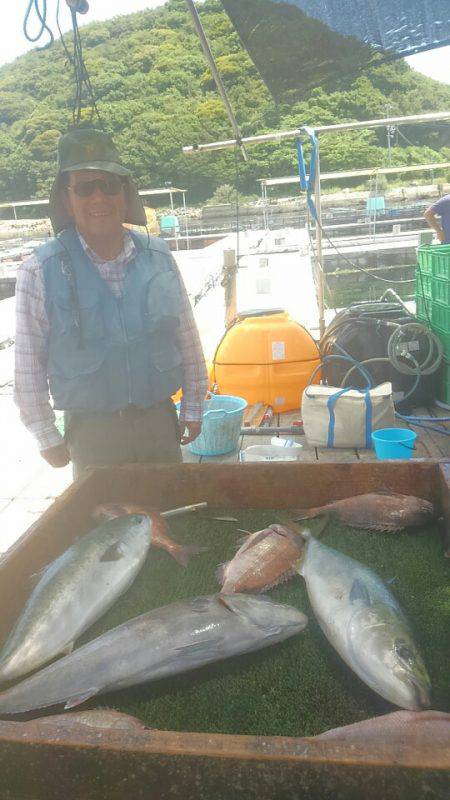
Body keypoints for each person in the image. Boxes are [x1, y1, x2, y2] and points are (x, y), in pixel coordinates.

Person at [14, 128, 208, 476]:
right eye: (85, 188)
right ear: (66, 200)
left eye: (110, 185)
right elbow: (28, 365)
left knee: (167, 517)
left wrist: (193, 406)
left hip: (159, 423)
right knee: (103, 525)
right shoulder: (39, 271)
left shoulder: (160, 256)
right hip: (92, 434)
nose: (99, 197)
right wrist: (45, 434)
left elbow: (189, 341)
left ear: (125, 194)